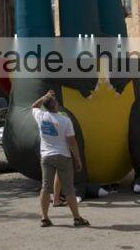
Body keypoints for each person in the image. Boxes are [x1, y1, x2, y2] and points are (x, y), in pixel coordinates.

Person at [32, 90, 90, 227]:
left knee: (45, 188)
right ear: (56, 105)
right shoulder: (65, 120)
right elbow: (72, 142)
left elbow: (33, 106)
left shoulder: (40, 116)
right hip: (63, 156)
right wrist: (78, 159)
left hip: (46, 156)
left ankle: (44, 218)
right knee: (69, 188)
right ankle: (77, 218)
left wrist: (43, 96)